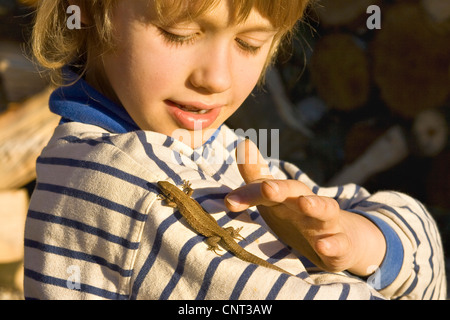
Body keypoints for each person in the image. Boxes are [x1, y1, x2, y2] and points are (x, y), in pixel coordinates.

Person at [24, 0, 446, 300]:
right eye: (179, 34)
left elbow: (422, 247)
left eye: (250, 43)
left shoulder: (215, 146)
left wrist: (360, 242)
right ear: (86, 12)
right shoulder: (131, 185)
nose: (217, 79)